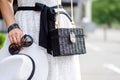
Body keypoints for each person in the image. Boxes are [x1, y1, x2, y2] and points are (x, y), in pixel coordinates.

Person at [0, 0, 81, 80]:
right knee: (26, 70)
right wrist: (12, 26)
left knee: (62, 73)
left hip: (58, 22)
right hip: (27, 25)